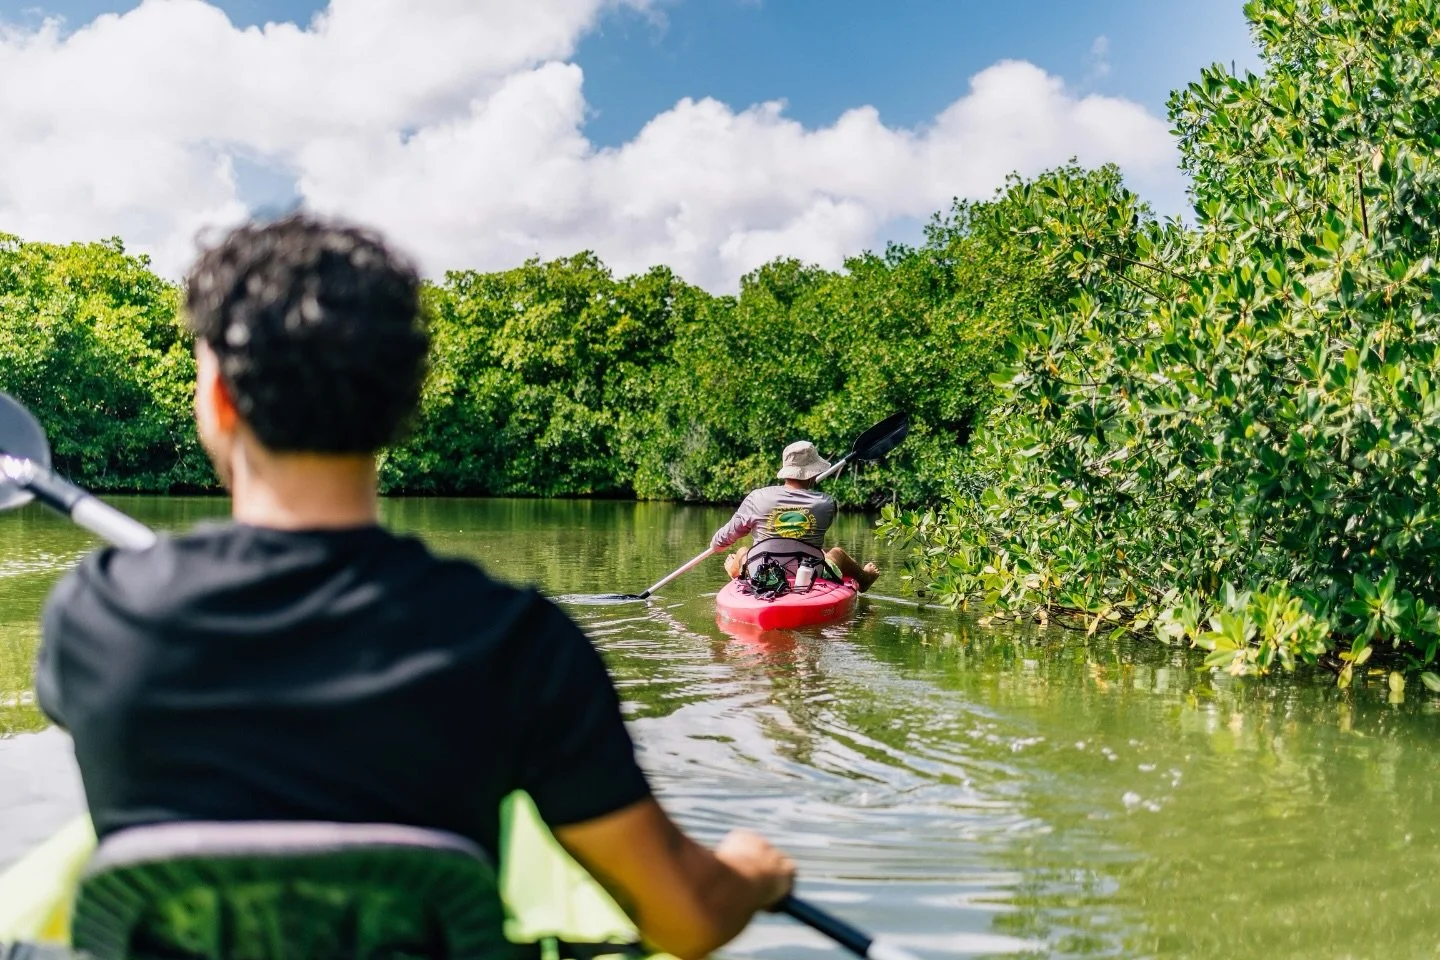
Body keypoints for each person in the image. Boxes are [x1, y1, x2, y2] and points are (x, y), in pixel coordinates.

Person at [32, 214, 793, 960]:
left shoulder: (96, 615)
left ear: (221, 400)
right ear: (402, 408)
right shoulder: (517, 642)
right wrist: (754, 874)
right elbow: (686, 922)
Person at [711, 440, 880, 591]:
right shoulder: (826, 503)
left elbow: (720, 542)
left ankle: (735, 569)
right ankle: (864, 579)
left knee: (742, 552)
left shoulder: (757, 497)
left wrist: (717, 545)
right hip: (810, 574)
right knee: (836, 553)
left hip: (761, 572)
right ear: (813, 473)